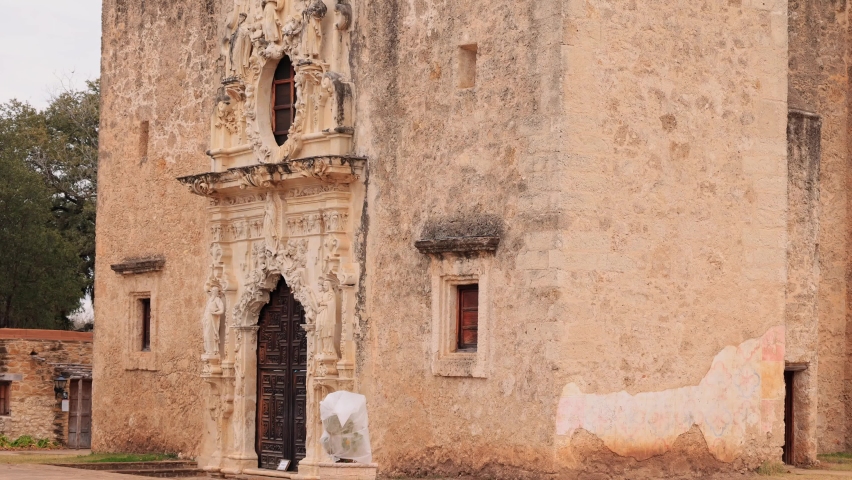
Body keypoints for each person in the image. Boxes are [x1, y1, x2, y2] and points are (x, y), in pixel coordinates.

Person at [203, 287, 225, 356]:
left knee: (211, 334)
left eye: (214, 291)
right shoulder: (209, 300)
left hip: (212, 319)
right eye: (212, 291)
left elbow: (221, 310)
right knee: (206, 334)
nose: (213, 292)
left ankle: (212, 351)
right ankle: (208, 350)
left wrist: (214, 313)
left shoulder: (217, 299)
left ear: (216, 292)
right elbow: (206, 310)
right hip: (207, 319)